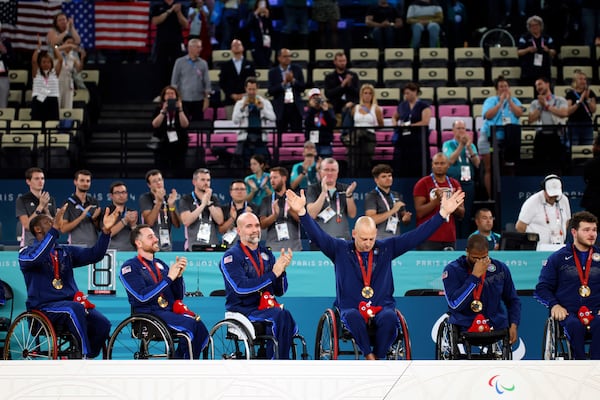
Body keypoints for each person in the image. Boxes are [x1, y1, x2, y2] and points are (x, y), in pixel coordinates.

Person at [286, 186, 465, 359]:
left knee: (390, 318)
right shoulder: (339, 249)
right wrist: (302, 213)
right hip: (351, 307)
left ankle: (377, 357)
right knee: (352, 316)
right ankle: (369, 355)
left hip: (382, 306)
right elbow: (318, 236)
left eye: (372, 238)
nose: (368, 243)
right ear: (354, 233)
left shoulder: (387, 248)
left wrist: (442, 215)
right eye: (364, 239)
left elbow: (416, 236)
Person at [19, 205, 119, 358]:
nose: (54, 223)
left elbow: (95, 254)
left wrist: (105, 232)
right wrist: (54, 231)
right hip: (43, 308)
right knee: (74, 309)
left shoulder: (65, 251)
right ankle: (83, 356)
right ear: (38, 229)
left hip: (69, 305)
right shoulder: (26, 253)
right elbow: (35, 258)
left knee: (102, 324)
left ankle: (87, 355)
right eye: (49, 222)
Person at [120, 224, 209, 359]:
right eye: (150, 237)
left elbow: (178, 297)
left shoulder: (160, 264)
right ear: (138, 243)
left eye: (155, 236)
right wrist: (168, 278)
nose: (156, 239)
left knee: (201, 328)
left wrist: (178, 278)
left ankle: (184, 362)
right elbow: (142, 297)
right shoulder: (130, 267)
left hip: (168, 313)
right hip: (149, 315)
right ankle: (182, 365)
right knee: (189, 326)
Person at [219, 212, 297, 359]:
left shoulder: (266, 254)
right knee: (279, 316)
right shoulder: (231, 256)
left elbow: (280, 291)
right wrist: (273, 274)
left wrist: (282, 271)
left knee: (284, 314)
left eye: (257, 225)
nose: (255, 229)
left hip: (265, 308)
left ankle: (278, 360)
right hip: (243, 310)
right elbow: (240, 288)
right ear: (239, 230)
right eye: (249, 226)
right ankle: (276, 363)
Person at [534, 211, 600, 359]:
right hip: (569, 313)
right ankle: (579, 364)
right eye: (586, 230)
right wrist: (554, 305)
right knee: (574, 326)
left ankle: (596, 368)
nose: (592, 234)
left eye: (594, 230)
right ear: (574, 232)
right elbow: (542, 289)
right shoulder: (558, 258)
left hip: (597, 312)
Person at [442, 234, 521, 344]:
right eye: (475, 258)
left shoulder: (500, 269)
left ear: (488, 253)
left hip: (495, 324)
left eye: (483, 257)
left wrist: (513, 324)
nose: (479, 261)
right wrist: (474, 277)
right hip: (465, 324)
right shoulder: (452, 270)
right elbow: (455, 304)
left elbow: (513, 300)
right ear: (467, 252)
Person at [479, 76, 524, 198]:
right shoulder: (490, 100)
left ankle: (507, 195)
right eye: (501, 87)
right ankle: (490, 197)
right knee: (489, 168)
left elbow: (519, 113)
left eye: (506, 86)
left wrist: (509, 101)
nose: (504, 89)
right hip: (489, 136)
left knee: (508, 166)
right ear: (496, 89)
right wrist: (500, 103)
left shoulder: (515, 100)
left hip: (508, 138)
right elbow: (488, 116)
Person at [413, 152, 465, 250]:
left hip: (449, 236)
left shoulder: (454, 184)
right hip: (427, 236)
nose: (439, 166)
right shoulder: (423, 183)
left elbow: (462, 213)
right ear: (432, 165)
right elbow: (419, 212)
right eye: (436, 163)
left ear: (448, 165)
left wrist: (452, 204)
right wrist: (436, 201)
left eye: (442, 163)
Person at [442, 119, 480, 238]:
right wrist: (461, 146)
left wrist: (468, 147)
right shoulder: (448, 144)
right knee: (453, 213)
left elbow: (477, 163)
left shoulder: (471, 145)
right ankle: (454, 238)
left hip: (467, 183)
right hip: (452, 184)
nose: (461, 131)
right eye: (458, 128)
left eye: (463, 128)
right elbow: (450, 160)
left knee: (466, 213)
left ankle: (464, 239)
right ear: (453, 130)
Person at [306, 158, 357, 244]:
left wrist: (348, 195)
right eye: (326, 170)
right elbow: (311, 214)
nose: (329, 173)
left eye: (333, 170)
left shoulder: (345, 188)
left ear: (337, 172)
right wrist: (323, 193)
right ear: (320, 171)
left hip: (342, 240)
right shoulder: (313, 189)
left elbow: (352, 214)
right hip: (320, 240)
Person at [516, 174, 571, 250]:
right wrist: (529, 244)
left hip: (558, 247)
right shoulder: (532, 202)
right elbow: (520, 226)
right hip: (537, 249)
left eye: (556, 195)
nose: (553, 197)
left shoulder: (564, 200)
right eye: (551, 194)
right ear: (544, 190)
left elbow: (567, 221)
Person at [232, 77, 276, 168]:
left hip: (260, 138)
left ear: (257, 89)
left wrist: (262, 109)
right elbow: (235, 120)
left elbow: (273, 118)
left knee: (261, 164)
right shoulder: (240, 103)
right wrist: (243, 108)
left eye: (254, 89)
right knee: (245, 165)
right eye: (249, 89)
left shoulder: (265, 102)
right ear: (246, 89)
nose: (251, 92)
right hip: (245, 138)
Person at [392, 82, 432, 178]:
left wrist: (411, 125)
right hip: (404, 139)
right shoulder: (402, 105)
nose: (406, 95)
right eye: (405, 93)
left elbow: (425, 122)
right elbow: (394, 116)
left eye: (408, 93)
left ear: (415, 92)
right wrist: (395, 124)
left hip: (418, 139)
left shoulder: (424, 105)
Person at [528, 76, 568, 171]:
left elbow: (564, 113)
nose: (538, 87)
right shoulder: (535, 103)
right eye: (536, 85)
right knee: (539, 165)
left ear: (547, 84)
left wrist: (546, 105)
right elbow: (530, 120)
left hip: (556, 135)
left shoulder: (559, 100)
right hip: (540, 136)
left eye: (540, 84)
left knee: (556, 164)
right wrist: (541, 106)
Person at [179, 168, 224, 251]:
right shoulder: (186, 199)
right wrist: (203, 204)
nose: (206, 183)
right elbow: (186, 221)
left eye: (208, 180)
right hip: (193, 247)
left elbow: (220, 220)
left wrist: (209, 203)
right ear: (194, 182)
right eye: (203, 180)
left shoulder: (214, 199)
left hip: (212, 247)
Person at [259, 166, 302, 251]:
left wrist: (291, 210)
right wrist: (274, 215)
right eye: (271, 178)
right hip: (273, 247)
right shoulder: (266, 200)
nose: (272, 181)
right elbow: (262, 224)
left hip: (294, 247)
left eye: (275, 177)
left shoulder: (295, 197)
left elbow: (303, 220)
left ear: (284, 178)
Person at [364, 164, 412, 239]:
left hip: (396, 237)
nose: (388, 178)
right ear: (376, 180)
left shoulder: (397, 195)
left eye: (389, 176)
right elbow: (371, 219)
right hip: (379, 239)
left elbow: (404, 219)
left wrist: (406, 218)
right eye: (384, 176)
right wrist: (393, 210)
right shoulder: (372, 196)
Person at [139, 169, 182, 252]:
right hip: (149, 248)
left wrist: (172, 206)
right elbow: (149, 222)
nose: (158, 183)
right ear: (149, 185)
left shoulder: (168, 198)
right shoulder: (145, 198)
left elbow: (177, 225)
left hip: (167, 247)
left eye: (160, 180)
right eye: (154, 181)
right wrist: (158, 203)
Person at [170, 38, 210, 123]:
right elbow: (174, 82)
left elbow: (207, 84)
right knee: (183, 124)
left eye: (200, 47)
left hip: (198, 100)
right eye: (197, 47)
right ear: (190, 48)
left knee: (198, 125)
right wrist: (177, 99)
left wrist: (207, 99)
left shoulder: (203, 63)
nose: (200, 49)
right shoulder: (179, 62)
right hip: (183, 100)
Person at [150, 0, 188, 89]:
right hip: (162, 41)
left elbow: (185, 24)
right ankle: (162, 92)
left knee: (177, 66)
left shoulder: (181, 6)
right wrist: (169, 11)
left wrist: (178, 13)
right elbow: (155, 21)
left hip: (176, 41)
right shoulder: (158, 5)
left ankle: (177, 92)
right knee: (161, 67)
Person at [150, 85, 189, 171]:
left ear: (176, 96)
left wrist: (180, 110)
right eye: (167, 93)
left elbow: (185, 124)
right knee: (161, 168)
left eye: (172, 93)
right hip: (162, 143)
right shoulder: (158, 109)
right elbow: (155, 124)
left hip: (179, 143)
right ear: (163, 96)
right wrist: (163, 111)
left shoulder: (183, 108)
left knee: (178, 168)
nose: (170, 95)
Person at [268, 48, 306, 136]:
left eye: (289, 56)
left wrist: (293, 81)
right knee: (281, 134)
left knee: (297, 133)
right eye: (285, 56)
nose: (288, 58)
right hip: (281, 107)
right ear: (279, 58)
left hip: (295, 107)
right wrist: (283, 83)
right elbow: (271, 91)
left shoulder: (297, 69)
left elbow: (303, 87)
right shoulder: (273, 72)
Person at [16, 168, 57, 248]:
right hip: (30, 246)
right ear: (28, 181)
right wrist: (40, 207)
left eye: (42, 178)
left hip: (48, 245)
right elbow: (27, 225)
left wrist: (46, 210)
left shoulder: (50, 199)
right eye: (36, 179)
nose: (40, 181)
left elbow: (54, 226)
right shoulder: (22, 200)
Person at [349, 83, 384, 176]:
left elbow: (381, 124)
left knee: (366, 159)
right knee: (354, 156)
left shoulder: (376, 109)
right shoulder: (355, 108)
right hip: (356, 136)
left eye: (370, 93)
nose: (367, 95)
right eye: (365, 93)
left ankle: (366, 175)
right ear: (361, 94)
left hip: (369, 136)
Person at [60, 169, 101, 247]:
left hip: (93, 247)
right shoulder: (68, 203)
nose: (85, 183)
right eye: (82, 180)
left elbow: (99, 228)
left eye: (88, 181)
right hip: (75, 247)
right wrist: (81, 217)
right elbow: (63, 229)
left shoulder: (94, 202)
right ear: (75, 182)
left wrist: (95, 219)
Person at [219, 39, 256, 119]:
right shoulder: (225, 65)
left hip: (247, 99)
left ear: (242, 48)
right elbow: (222, 83)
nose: (236, 47)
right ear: (231, 49)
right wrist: (232, 95)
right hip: (230, 100)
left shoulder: (250, 64)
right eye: (234, 45)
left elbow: (253, 80)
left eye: (238, 45)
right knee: (232, 124)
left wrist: (244, 95)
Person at [517, 16, 556, 88]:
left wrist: (548, 50)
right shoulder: (524, 38)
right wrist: (527, 50)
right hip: (528, 71)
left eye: (536, 25)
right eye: (532, 25)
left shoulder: (547, 38)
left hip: (544, 70)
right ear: (529, 27)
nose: (534, 27)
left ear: (541, 26)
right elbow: (519, 52)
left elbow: (553, 52)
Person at [219, 179, 259, 248]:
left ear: (246, 192)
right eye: (236, 189)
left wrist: (249, 217)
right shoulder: (224, 209)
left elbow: (258, 230)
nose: (239, 192)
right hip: (229, 246)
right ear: (231, 192)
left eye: (242, 189)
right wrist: (232, 218)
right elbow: (221, 230)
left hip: (249, 246)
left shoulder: (254, 208)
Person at [31, 36, 62, 122]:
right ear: (40, 64)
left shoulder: (54, 73)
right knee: (38, 124)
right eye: (44, 62)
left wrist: (54, 46)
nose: (46, 64)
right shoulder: (36, 73)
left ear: (51, 64)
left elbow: (60, 59)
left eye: (48, 62)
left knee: (52, 124)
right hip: (38, 100)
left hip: (52, 99)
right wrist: (38, 47)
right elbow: (34, 61)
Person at [323, 51, 360, 119]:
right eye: (340, 61)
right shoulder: (329, 77)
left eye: (344, 61)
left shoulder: (353, 75)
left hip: (350, 104)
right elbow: (328, 94)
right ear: (335, 62)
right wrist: (342, 86)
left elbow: (358, 93)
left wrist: (349, 85)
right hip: (335, 106)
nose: (342, 63)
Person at [566, 70, 597, 146]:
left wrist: (587, 99)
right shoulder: (570, 94)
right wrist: (580, 101)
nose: (583, 81)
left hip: (587, 124)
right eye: (580, 79)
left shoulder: (590, 92)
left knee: (587, 148)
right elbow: (568, 111)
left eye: (584, 79)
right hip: (574, 124)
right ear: (575, 81)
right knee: (574, 148)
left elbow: (593, 110)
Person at [304, 88, 336, 159]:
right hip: (312, 142)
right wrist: (312, 109)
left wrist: (326, 111)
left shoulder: (328, 109)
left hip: (325, 141)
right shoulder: (307, 111)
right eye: (314, 98)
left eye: (318, 97)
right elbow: (307, 124)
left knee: (325, 163)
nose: (316, 100)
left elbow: (332, 124)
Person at [106, 181, 138, 251]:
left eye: (123, 192)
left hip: (130, 252)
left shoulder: (132, 213)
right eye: (117, 193)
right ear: (111, 196)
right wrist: (125, 221)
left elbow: (138, 237)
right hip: (111, 252)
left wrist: (133, 225)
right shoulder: (106, 212)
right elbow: (107, 234)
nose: (121, 195)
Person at [56, 34, 85, 110]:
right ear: (63, 43)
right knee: (57, 104)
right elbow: (56, 48)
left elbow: (78, 70)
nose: (70, 45)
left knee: (68, 105)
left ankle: (67, 121)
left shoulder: (73, 57)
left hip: (68, 81)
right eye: (68, 42)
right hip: (58, 80)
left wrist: (82, 59)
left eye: (72, 43)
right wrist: (69, 45)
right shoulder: (58, 53)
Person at [246, 0, 274, 68]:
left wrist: (267, 18)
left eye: (263, 4)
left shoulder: (269, 15)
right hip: (255, 43)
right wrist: (255, 14)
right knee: (261, 61)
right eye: (260, 4)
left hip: (266, 43)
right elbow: (248, 27)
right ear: (257, 5)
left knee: (266, 58)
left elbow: (271, 31)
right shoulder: (252, 15)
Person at [582, 137, 600, 221]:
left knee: (591, 230)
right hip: (593, 202)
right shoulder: (590, 163)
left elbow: (586, 179)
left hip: (593, 202)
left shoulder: (590, 163)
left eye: (594, 145)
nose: (592, 147)